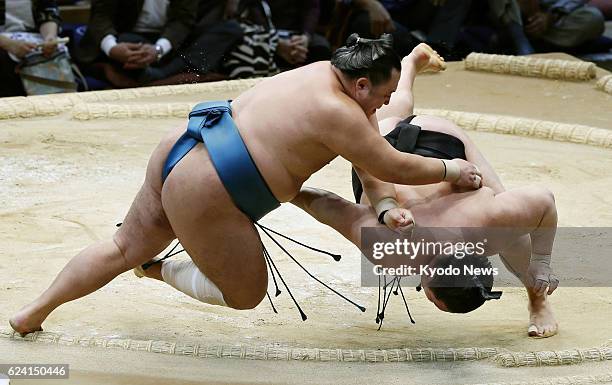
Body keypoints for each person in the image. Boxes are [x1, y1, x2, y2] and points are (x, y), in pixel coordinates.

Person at [9, 34, 483, 336]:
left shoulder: (318, 72)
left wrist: (382, 209)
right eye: (378, 95)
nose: (380, 106)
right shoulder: (345, 116)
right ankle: (156, 270)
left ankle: (33, 313)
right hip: (210, 188)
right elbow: (391, 164)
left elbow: (370, 165)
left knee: (120, 246)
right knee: (245, 295)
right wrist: (452, 173)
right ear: (360, 85)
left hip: (185, 143)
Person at [289, 45, 559, 337]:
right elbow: (329, 205)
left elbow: (544, 201)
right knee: (513, 236)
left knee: (393, 111)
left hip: (437, 140)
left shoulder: (489, 223)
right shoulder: (389, 250)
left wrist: (543, 262)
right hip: (416, 153)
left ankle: (409, 65)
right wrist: (288, 191)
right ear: (431, 294)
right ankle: (538, 299)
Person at [0, 0, 61, 97]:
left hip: (33, 40)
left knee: (56, 54)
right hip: (3, 45)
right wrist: (9, 44)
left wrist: (49, 37)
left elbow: (48, 14)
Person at [517, 0, 605, 50]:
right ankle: (519, 40)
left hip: (553, 16)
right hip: (512, 15)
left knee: (593, 18)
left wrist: (553, 14)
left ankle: (538, 41)